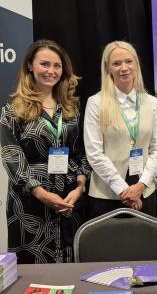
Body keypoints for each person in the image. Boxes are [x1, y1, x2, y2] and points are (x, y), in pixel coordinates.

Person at [0, 39, 91, 263]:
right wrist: (40, 193)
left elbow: (81, 152)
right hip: (30, 201)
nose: (51, 71)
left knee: (71, 265)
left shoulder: (71, 108)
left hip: (69, 198)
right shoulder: (13, 110)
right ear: (30, 65)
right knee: (34, 271)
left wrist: (80, 186)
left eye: (57, 65)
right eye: (45, 64)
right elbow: (12, 156)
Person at [84, 41, 157, 218]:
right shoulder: (96, 103)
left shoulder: (152, 103)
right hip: (107, 196)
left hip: (145, 193)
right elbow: (94, 154)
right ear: (108, 68)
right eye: (116, 63)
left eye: (129, 61)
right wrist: (124, 191)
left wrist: (141, 185)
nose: (124, 68)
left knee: (144, 245)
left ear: (136, 64)